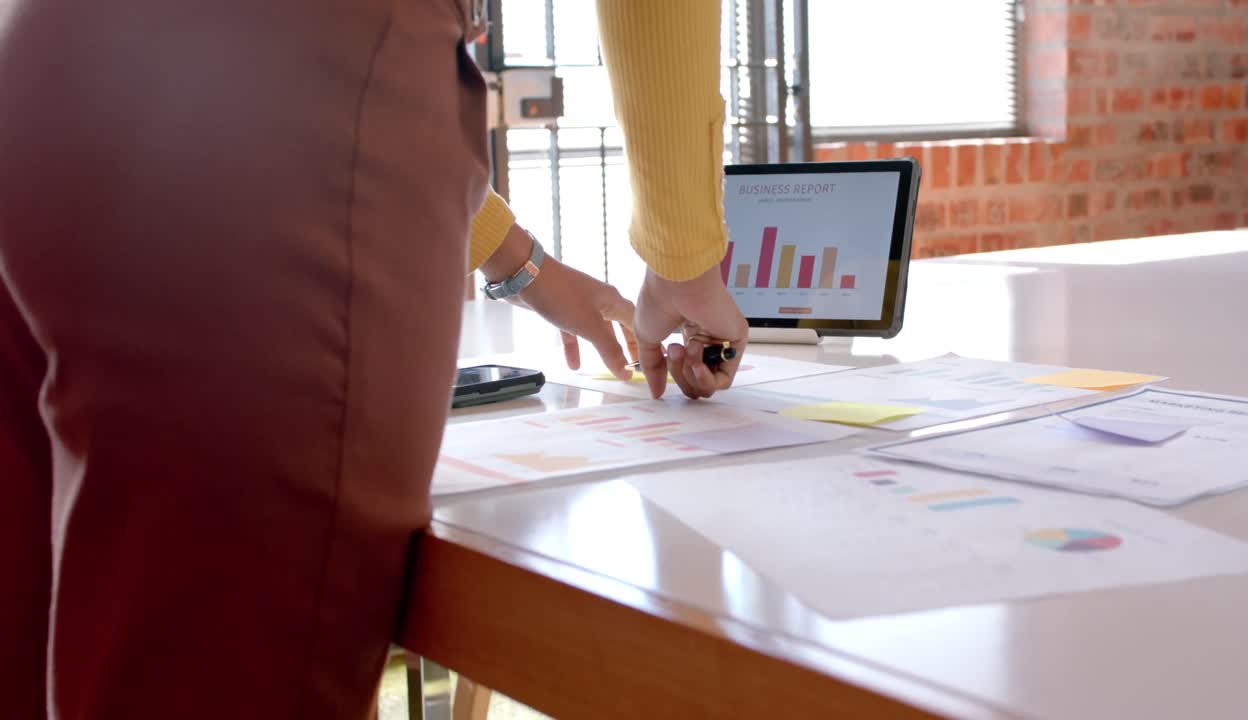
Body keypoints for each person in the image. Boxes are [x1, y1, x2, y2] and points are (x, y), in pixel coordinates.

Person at [0, 1, 746, 718]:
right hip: (268, 101)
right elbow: (339, 78)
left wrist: (528, 271)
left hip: (47, 65)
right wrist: (682, 259)